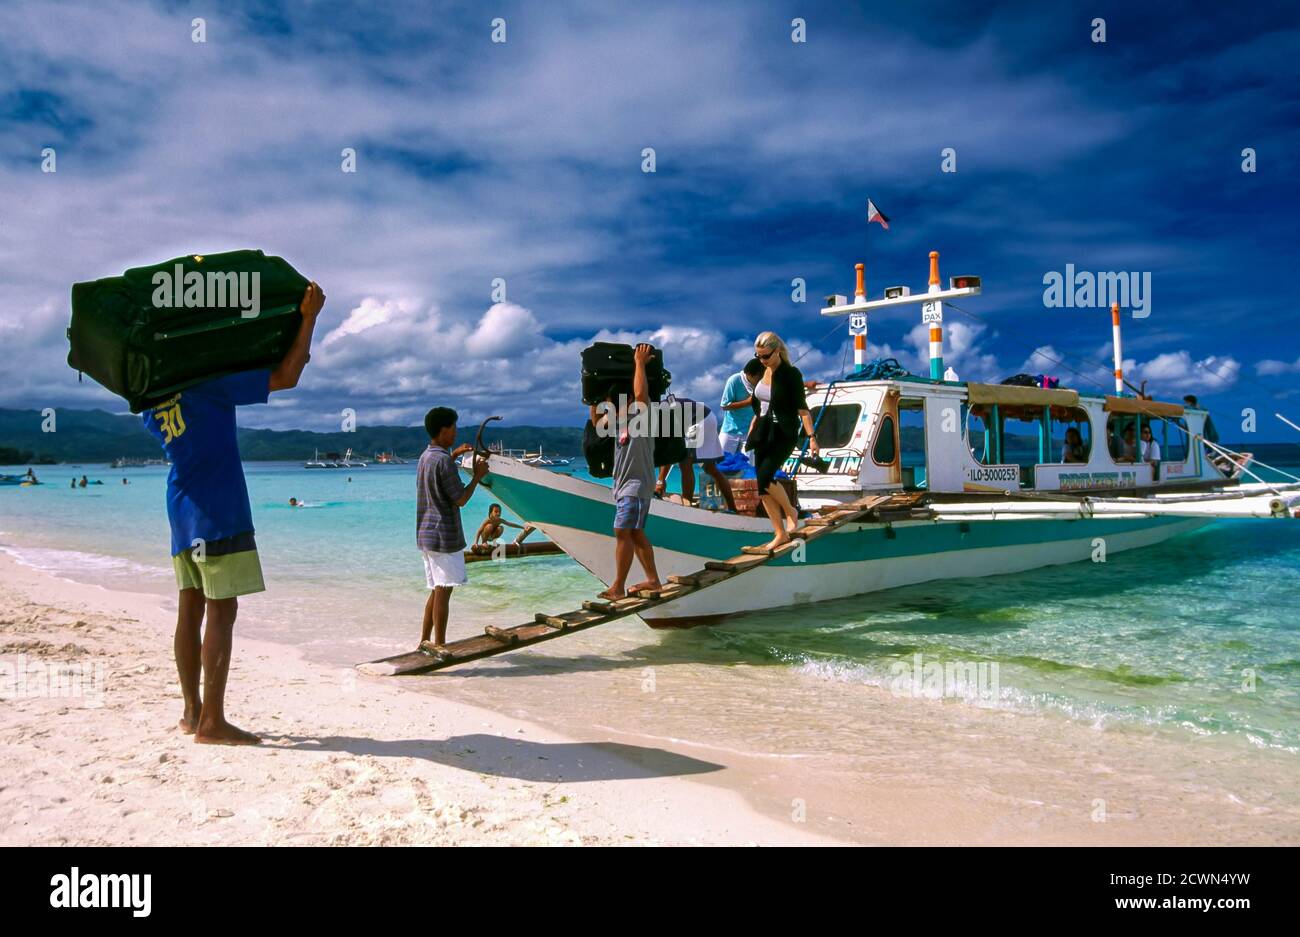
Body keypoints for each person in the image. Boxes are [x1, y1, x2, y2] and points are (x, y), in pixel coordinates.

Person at [144, 281, 325, 746]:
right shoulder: (210, 385)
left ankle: (191, 712)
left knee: (190, 610)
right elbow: (287, 374)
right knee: (223, 611)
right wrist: (309, 317)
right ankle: (213, 723)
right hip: (219, 510)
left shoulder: (154, 402)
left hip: (181, 510)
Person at [417, 406, 489, 649]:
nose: (456, 432)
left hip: (426, 533)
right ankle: (440, 645)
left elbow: (441, 467)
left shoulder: (426, 456)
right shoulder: (444, 462)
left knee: (436, 591)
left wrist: (454, 454)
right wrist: (477, 476)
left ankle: (425, 641)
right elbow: (460, 499)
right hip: (444, 535)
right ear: (443, 430)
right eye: (453, 428)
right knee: (444, 591)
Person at [593, 343, 661, 599]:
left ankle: (618, 587)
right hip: (622, 487)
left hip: (637, 485)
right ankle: (653, 580)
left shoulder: (640, 415)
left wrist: (640, 364)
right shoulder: (618, 422)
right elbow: (596, 421)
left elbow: (642, 396)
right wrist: (593, 397)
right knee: (634, 532)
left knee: (623, 531)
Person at [746, 331, 818, 550]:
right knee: (761, 486)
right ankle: (779, 533)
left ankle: (791, 512)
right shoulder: (760, 369)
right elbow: (758, 406)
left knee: (766, 476)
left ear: (777, 351)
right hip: (762, 431)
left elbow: (802, 409)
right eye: (758, 356)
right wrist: (751, 430)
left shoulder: (791, 374)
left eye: (765, 356)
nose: (761, 360)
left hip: (783, 433)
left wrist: (812, 437)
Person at [654, 395, 738, 512]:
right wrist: (660, 480)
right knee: (710, 468)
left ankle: (686, 507)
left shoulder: (656, 417)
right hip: (707, 416)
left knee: (684, 462)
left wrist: (660, 481)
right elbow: (667, 454)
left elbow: (668, 453)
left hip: (698, 419)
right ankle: (732, 508)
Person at [719, 358, 765, 454]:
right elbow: (724, 406)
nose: (761, 380)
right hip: (730, 431)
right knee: (721, 463)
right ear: (749, 374)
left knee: (748, 466)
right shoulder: (734, 380)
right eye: (759, 377)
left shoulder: (762, 384)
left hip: (750, 432)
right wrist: (748, 402)